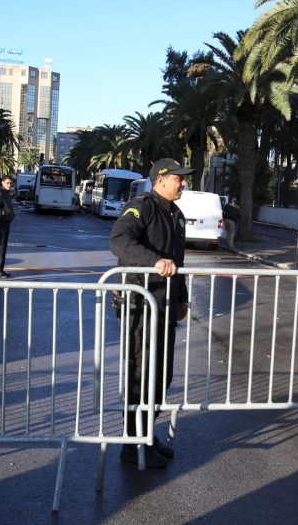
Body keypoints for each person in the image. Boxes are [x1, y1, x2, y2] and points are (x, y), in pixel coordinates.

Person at [109, 157, 192, 470]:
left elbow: (178, 262)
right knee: (140, 375)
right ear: (161, 179)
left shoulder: (176, 214)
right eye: (178, 179)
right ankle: (132, 444)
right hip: (140, 304)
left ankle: (146, 433)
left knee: (161, 375)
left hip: (166, 305)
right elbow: (119, 240)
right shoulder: (141, 206)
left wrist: (182, 299)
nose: (183, 183)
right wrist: (152, 261)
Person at [0, 176, 16, 278]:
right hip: (1, 224)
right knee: (0, 248)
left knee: (3, 247)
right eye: (7, 183)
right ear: (2, 182)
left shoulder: (6, 193)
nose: (9, 185)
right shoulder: (0, 194)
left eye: (10, 183)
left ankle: (0, 270)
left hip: (6, 223)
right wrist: (4, 214)